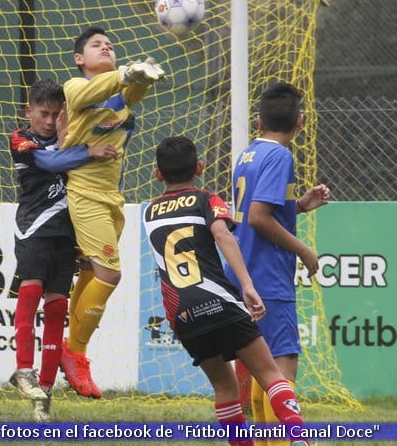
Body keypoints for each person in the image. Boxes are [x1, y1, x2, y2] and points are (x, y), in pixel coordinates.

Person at [143, 136, 308, 446]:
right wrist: (247, 286)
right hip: (219, 301)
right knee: (272, 374)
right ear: (200, 168)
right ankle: (299, 439)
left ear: (158, 175)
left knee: (224, 389)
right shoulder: (206, 198)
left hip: (182, 313)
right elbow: (223, 235)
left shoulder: (149, 212)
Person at [57, 25, 165, 398]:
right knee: (109, 275)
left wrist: (143, 78)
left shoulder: (118, 90)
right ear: (79, 59)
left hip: (112, 197)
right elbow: (100, 89)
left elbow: (130, 94)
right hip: (84, 193)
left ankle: (69, 347)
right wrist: (125, 73)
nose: (106, 48)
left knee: (91, 273)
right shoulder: (74, 88)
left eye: (111, 46)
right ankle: (75, 352)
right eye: (96, 45)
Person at [223, 82, 330, 440]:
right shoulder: (281, 156)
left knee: (262, 369)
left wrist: (298, 205)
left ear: (258, 121)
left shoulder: (248, 154)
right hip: (267, 277)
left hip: (242, 274)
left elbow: (260, 211)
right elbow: (257, 218)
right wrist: (303, 249)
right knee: (282, 369)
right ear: (300, 122)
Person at [8, 79, 117, 421]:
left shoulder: (69, 138)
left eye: (57, 115)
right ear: (29, 112)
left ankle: (46, 390)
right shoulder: (21, 139)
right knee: (31, 292)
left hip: (66, 235)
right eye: (44, 113)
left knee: (57, 310)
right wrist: (87, 151)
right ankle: (23, 370)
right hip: (34, 229)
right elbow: (52, 164)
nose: (50, 121)